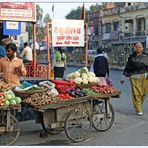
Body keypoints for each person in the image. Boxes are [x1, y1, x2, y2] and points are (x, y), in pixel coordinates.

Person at [121, 43, 148, 115]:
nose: (138, 48)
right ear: (134, 48)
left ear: (142, 48)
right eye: (136, 47)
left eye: (140, 47)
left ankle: (137, 105)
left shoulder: (146, 56)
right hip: (134, 77)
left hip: (145, 77)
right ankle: (139, 109)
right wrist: (123, 77)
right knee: (137, 94)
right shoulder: (131, 57)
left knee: (144, 94)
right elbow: (127, 68)